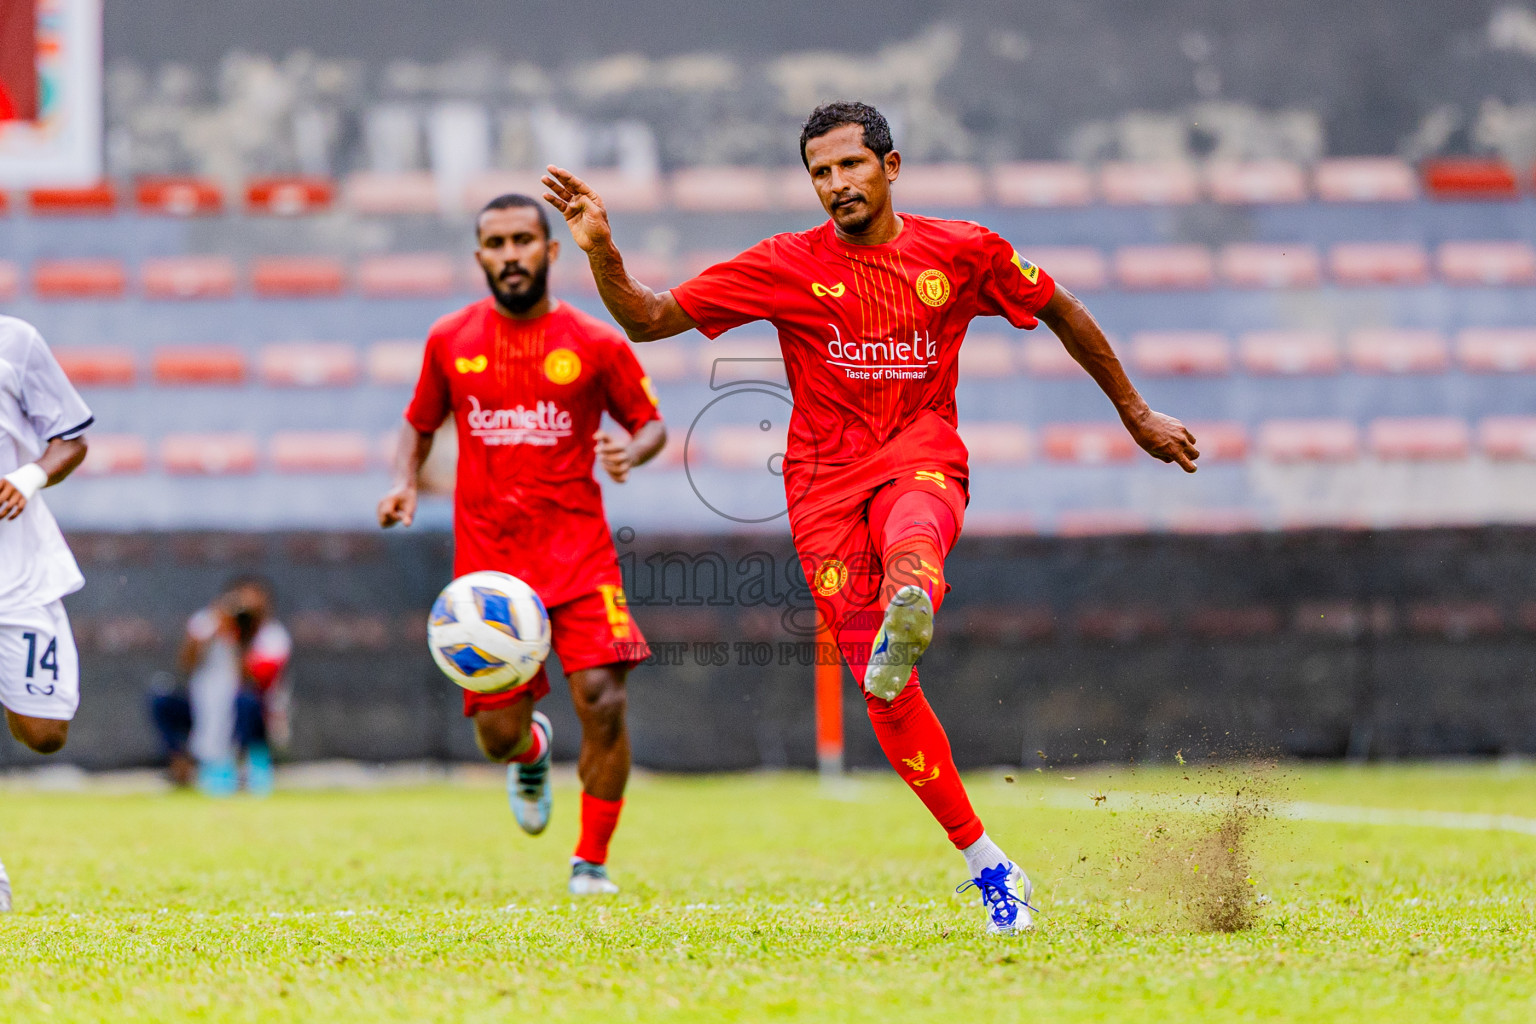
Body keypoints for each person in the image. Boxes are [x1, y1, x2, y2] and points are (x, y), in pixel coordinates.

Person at [540, 101, 1200, 933]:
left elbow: (1062, 306)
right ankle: (987, 861)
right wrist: (602, 252)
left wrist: (1135, 412)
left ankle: (911, 598)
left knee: (914, 519)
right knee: (884, 692)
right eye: (820, 172)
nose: (835, 184)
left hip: (919, 450)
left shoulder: (963, 251)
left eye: (850, 165)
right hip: (820, 490)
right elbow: (647, 317)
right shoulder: (785, 263)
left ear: (891, 167)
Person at [378, 193, 667, 896]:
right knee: (497, 739)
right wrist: (405, 485)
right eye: (496, 244)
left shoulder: (595, 343)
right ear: (480, 256)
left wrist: (634, 451)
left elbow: (651, 422)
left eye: (522, 242)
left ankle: (590, 864)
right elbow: (418, 423)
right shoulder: (450, 339)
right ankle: (531, 751)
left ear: (549, 251)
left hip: (579, 554)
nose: (510, 255)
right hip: (490, 568)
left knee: (603, 698)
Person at [0, 314, 92, 913]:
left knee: (44, 733)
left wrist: (30, 475)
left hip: (18, 576)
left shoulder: (16, 341)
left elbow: (73, 437)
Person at [149, 576, 291, 795]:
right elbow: (186, 664)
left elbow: (251, 682)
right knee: (161, 699)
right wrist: (211, 630)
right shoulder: (208, 622)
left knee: (246, 702)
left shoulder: (272, 635)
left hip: (253, 714)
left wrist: (238, 639)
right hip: (204, 705)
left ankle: (242, 766)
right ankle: (182, 766)